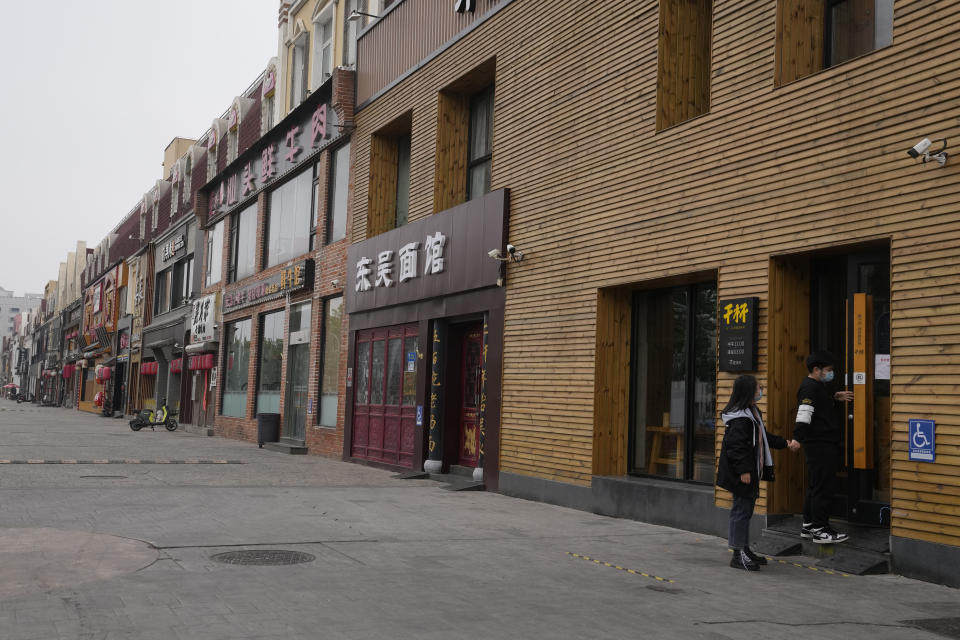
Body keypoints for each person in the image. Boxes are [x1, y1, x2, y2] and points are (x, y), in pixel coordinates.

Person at [718, 375, 800, 571]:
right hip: (743, 473)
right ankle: (738, 554)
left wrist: (784, 443)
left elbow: (764, 437)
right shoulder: (741, 418)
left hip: (750, 470)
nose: (761, 389)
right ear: (748, 391)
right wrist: (744, 471)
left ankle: (744, 549)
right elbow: (736, 447)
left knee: (745, 511)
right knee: (741, 511)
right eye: (758, 387)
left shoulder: (751, 412)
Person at [794, 351, 854, 544]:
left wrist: (834, 397)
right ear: (816, 370)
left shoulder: (817, 387)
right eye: (828, 370)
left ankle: (809, 525)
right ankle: (821, 530)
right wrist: (797, 438)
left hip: (819, 444)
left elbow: (819, 406)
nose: (831, 373)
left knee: (815, 485)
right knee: (823, 487)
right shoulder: (810, 388)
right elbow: (804, 414)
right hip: (820, 445)